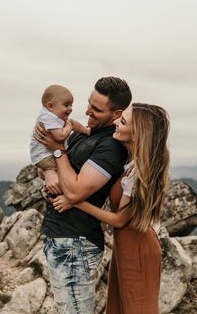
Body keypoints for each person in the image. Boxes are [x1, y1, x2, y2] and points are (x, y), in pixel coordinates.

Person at [53, 103, 170, 314]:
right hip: (126, 244)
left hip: (138, 248)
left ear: (138, 133)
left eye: (122, 121)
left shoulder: (139, 173)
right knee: (120, 306)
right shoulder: (131, 162)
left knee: (137, 307)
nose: (115, 121)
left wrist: (76, 200)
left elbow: (119, 220)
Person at [35, 77, 132, 314]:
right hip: (60, 238)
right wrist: (48, 173)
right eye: (89, 103)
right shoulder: (83, 133)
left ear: (116, 113)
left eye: (97, 109)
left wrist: (58, 150)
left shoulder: (110, 146)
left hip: (76, 243)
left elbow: (75, 190)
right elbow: (47, 163)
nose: (87, 111)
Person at [30, 84, 90, 172]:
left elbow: (74, 124)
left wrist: (86, 131)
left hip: (49, 153)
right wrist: (69, 127)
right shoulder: (48, 118)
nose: (70, 109)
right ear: (50, 106)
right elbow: (60, 136)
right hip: (44, 157)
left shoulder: (56, 115)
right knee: (68, 169)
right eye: (66, 105)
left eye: (71, 105)